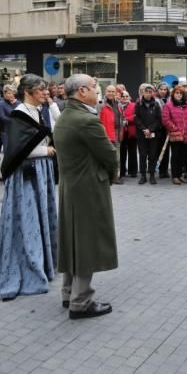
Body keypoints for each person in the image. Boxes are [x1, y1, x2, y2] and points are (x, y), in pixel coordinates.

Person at [54, 73, 118, 319]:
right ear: (81, 91)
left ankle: (69, 293)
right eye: (94, 87)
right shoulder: (86, 120)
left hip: (70, 188)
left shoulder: (65, 117)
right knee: (87, 242)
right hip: (89, 188)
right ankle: (81, 301)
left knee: (72, 240)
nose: (97, 91)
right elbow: (110, 155)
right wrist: (112, 173)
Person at [0, 74, 59, 301]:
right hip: (25, 177)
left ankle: (43, 263)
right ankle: (27, 265)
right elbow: (15, 151)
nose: (46, 94)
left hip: (41, 173)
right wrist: (46, 151)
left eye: (46, 90)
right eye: (41, 90)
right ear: (28, 92)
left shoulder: (38, 111)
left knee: (40, 219)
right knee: (27, 220)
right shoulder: (17, 115)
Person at [162, 85, 187, 185]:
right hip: (176, 135)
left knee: (183, 156)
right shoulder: (168, 105)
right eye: (177, 93)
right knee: (175, 156)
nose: (179, 95)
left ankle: (180, 175)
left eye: (180, 93)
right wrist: (174, 128)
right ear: (173, 94)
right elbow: (165, 119)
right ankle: (175, 176)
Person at [135, 84, 163, 185]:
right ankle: (143, 175)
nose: (148, 94)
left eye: (150, 92)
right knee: (142, 155)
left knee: (152, 155)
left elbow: (158, 119)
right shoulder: (138, 104)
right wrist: (143, 129)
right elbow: (136, 118)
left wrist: (150, 129)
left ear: (153, 93)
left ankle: (152, 175)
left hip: (153, 134)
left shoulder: (156, 105)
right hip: (141, 134)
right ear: (143, 93)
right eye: (146, 92)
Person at [99, 85, 124, 184]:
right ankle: (107, 176)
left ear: (116, 93)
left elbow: (121, 118)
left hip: (117, 134)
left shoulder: (119, 105)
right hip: (106, 134)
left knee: (116, 158)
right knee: (107, 157)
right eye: (109, 91)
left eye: (113, 91)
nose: (111, 93)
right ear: (105, 92)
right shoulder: (101, 104)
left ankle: (115, 177)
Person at [120, 91, 137, 180]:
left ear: (129, 97)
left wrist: (127, 119)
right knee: (122, 152)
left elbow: (136, 116)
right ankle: (122, 170)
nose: (125, 97)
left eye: (127, 96)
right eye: (123, 96)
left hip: (132, 132)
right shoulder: (118, 106)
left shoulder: (134, 105)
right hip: (121, 132)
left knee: (132, 152)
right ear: (120, 97)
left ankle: (133, 171)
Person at [155, 82, 171, 178]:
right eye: (161, 89)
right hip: (159, 129)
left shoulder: (169, 100)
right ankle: (160, 170)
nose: (163, 91)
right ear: (158, 90)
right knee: (159, 149)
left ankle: (165, 170)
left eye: (165, 89)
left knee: (167, 150)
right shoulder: (155, 100)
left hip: (168, 129)